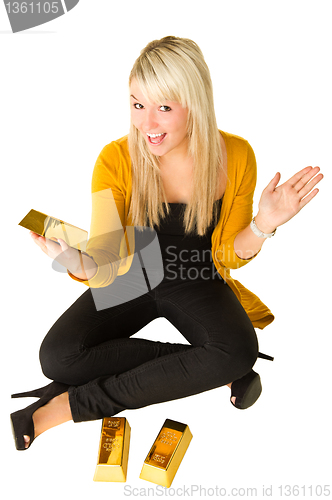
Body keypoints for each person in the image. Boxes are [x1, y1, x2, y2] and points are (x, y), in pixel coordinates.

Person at [10, 36, 323, 451]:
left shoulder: (236, 154)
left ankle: (63, 408)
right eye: (138, 105)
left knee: (239, 348)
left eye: (164, 108)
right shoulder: (115, 158)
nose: (147, 125)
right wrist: (76, 262)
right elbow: (106, 256)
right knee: (58, 357)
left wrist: (265, 223)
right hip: (130, 275)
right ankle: (213, 367)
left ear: (194, 103)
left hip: (199, 277)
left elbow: (229, 254)